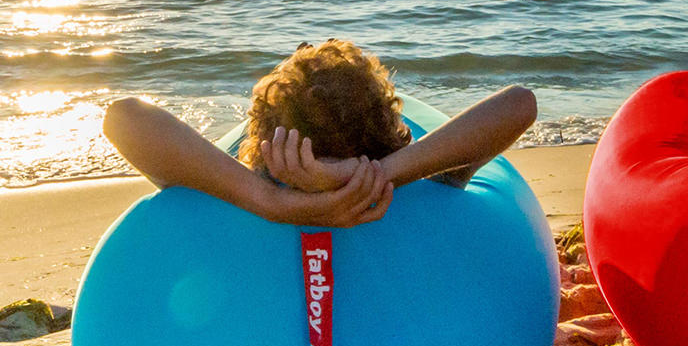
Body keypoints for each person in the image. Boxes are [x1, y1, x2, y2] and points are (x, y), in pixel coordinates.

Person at [103, 39, 537, 226]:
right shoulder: (431, 184)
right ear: (387, 130)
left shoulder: (234, 190)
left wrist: (271, 200)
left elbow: (122, 117)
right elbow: (521, 101)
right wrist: (376, 176)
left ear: (265, 142)